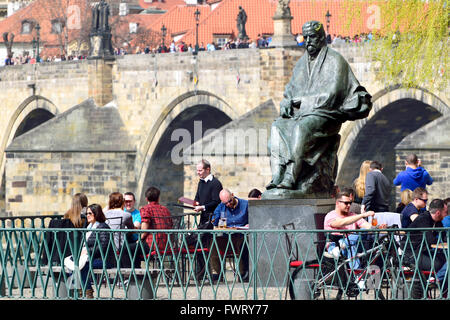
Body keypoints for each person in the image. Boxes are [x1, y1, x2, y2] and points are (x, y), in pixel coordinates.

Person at [265, 20, 372, 196]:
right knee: (277, 127)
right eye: (305, 37)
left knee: (301, 129)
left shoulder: (335, 60)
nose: (308, 41)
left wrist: (300, 102)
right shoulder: (300, 65)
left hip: (326, 115)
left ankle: (292, 176)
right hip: (301, 114)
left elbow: (332, 94)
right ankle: (278, 175)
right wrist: (286, 102)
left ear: (322, 37)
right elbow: (290, 91)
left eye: (312, 37)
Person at [324, 190, 385, 269]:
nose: (349, 205)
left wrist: (379, 227)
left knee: (356, 239)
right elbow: (341, 222)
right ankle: (357, 275)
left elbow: (366, 226)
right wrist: (362, 215)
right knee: (351, 245)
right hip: (335, 247)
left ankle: (345, 244)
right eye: (346, 203)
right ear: (337, 203)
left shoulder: (353, 215)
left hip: (350, 246)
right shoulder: (330, 215)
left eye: (350, 203)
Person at [403, 199, 448, 298]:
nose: (446, 215)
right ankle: (436, 280)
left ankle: (444, 294)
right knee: (443, 262)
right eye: (446, 212)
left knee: (446, 261)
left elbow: (444, 236)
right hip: (411, 255)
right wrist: (442, 242)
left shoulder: (437, 221)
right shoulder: (424, 219)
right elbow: (430, 239)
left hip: (422, 252)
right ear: (438, 213)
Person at [210, 189, 249, 282]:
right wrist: (216, 217)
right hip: (227, 236)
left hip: (241, 235)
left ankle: (242, 273)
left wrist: (248, 224)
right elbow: (214, 221)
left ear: (232, 195)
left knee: (243, 242)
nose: (228, 204)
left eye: (229, 201)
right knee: (213, 243)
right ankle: (217, 273)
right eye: (225, 203)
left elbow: (254, 219)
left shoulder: (245, 204)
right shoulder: (221, 206)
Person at [78, 203, 115, 299]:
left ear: (96, 213)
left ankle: (87, 292)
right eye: (86, 214)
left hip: (103, 259)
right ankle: (78, 290)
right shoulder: (88, 227)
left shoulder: (103, 227)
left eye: (90, 213)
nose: (87, 216)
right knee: (71, 263)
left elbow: (103, 246)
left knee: (82, 265)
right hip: (89, 258)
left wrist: (87, 251)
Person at [42, 193, 88, 264]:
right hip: (78, 250)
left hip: (62, 251)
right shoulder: (85, 217)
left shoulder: (66, 215)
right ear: (85, 203)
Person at [140, 186, 173, 255]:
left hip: (151, 246)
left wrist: (139, 240)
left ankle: (133, 266)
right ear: (158, 198)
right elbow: (171, 225)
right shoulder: (165, 210)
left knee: (125, 249)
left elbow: (144, 230)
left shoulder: (146, 209)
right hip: (166, 245)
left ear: (146, 199)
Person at [194, 159, 223, 225]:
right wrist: (196, 203)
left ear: (207, 169)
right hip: (203, 218)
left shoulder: (216, 183)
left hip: (214, 219)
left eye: (200, 170)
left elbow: (216, 202)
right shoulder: (201, 182)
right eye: (197, 170)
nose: (198, 172)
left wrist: (203, 207)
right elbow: (197, 197)